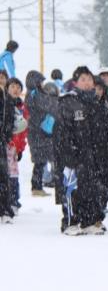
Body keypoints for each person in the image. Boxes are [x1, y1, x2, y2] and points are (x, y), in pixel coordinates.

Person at [53, 66, 108, 235]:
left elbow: (101, 131)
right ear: (75, 82)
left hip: (92, 156)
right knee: (72, 189)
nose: (87, 83)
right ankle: (70, 222)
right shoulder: (68, 102)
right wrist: (68, 153)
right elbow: (61, 131)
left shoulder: (96, 102)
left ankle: (89, 220)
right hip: (73, 155)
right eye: (83, 79)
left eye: (89, 79)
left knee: (91, 189)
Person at [24, 70, 59, 196]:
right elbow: (48, 106)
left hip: (37, 133)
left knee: (40, 161)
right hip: (39, 133)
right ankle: (36, 187)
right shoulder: (35, 94)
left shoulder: (32, 94)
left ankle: (37, 186)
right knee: (40, 161)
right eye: (40, 81)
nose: (42, 84)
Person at [6, 77, 27, 214]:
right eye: (13, 86)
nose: (16, 89)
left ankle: (14, 201)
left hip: (14, 147)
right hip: (4, 144)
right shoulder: (4, 104)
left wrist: (20, 149)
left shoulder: (22, 107)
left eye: (18, 87)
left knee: (13, 175)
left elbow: (24, 130)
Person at [0, 77, 15, 223]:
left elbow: (10, 120)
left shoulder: (8, 98)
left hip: (2, 143)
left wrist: (6, 135)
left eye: (3, 77)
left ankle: (5, 209)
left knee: (4, 176)